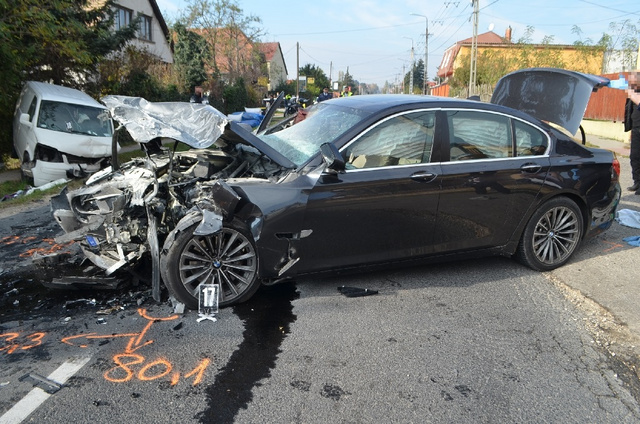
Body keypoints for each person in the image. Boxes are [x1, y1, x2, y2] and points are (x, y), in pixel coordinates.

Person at [624, 71, 640, 194]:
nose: (630, 82)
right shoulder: (632, 92)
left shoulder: (634, 94)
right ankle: (637, 183)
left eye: (632, 80)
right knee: (634, 157)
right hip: (636, 129)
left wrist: (632, 95)